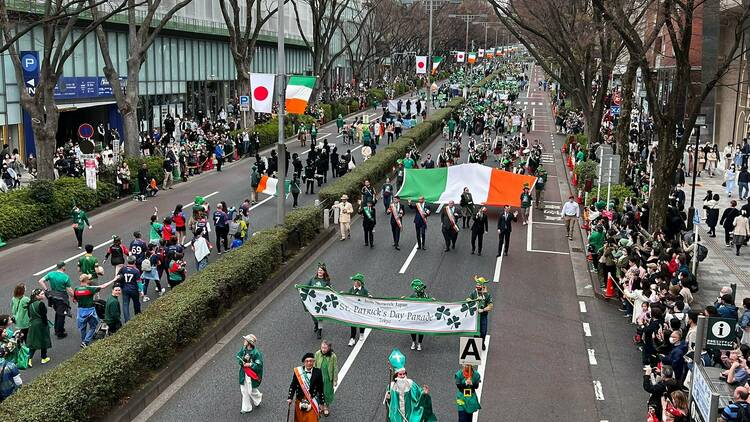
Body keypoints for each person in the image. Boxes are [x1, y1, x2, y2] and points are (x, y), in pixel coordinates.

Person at [385, 348, 434, 422]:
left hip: (409, 414)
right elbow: (388, 404)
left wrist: (424, 393)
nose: (402, 376)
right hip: (397, 416)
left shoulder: (410, 384)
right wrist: (387, 398)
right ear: (396, 375)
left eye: (404, 374)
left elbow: (418, 393)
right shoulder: (391, 386)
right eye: (400, 374)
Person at [74, 274, 114, 348]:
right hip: (90, 311)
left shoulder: (76, 289)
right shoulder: (90, 289)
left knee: (83, 327)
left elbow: (75, 300)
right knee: (93, 326)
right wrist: (114, 279)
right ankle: (85, 342)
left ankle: (83, 340)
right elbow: (103, 286)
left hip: (80, 311)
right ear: (86, 280)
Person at [37, 262, 73, 339]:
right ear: (63, 267)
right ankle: (60, 332)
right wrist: (74, 297)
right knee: (62, 314)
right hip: (62, 298)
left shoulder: (51, 274)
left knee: (58, 312)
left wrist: (47, 290)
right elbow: (69, 290)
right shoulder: (65, 277)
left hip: (53, 297)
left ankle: (56, 329)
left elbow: (40, 281)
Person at [287, 353, 326, 422]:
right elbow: (293, 385)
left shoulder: (318, 372)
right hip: (300, 400)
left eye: (311, 361)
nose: (309, 363)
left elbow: (320, 388)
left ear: (314, 362)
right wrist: (290, 397)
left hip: (312, 400)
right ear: (304, 362)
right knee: (299, 420)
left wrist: (322, 403)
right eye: (307, 361)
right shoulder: (298, 372)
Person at [405, 279, 434, 351]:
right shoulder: (413, 296)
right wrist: (404, 299)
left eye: (423, 289)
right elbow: (408, 302)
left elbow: (429, 304)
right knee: (413, 330)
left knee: (421, 330)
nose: (422, 290)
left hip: (422, 316)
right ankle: (414, 342)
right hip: (414, 316)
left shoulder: (426, 296)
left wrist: (432, 300)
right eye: (421, 289)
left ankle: (419, 343)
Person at [237, 334, 263, 414]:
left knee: (251, 390)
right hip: (243, 372)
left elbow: (259, 365)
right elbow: (239, 356)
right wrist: (242, 362)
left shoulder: (256, 353)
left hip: (251, 374)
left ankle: (258, 397)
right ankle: (246, 408)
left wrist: (250, 364)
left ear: (249, 342)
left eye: (245, 340)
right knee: (244, 390)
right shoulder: (243, 349)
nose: (244, 341)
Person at [305, 264, 331, 339]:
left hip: (321, 302)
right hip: (313, 301)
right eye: (319, 270)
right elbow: (306, 287)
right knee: (313, 315)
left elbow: (330, 290)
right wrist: (298, 287)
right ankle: (316, 324)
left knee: (320, 316)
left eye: (321, 270)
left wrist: (328, 288)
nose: (320, 271)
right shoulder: (312, 279)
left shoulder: (326, 281)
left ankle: (319, 331)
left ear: (324, 272)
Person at [26, 289, 51, 366]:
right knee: (44, 340)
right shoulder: (41, 304)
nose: (43, 295)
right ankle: (44, 357)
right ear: (37, 296)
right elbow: (44, 316)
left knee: (33, 342)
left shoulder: (30, 304)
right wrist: (46, 325)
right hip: (41, 324)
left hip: (33, 324)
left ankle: (29, 359)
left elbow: (29, 315)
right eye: (42, 294)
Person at [467, 276, 493, 350]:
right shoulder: (474, 293)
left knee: (483, 331)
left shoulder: (487, 295)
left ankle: (482, 342)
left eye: (479, 285)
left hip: (483, 316)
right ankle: (476, 345)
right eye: (477, 285)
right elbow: (469, 299)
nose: (477, 286)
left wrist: (484, 309)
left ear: (482, 286)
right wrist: (468, 300)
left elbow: (491, 306)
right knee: (476, 332)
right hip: (475, 315)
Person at [314, 340, 339, 416]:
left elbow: (335, 368)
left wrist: (335, 380)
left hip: (328, 378)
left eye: (325, 348)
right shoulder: (317, 353)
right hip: (319, 377)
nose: (323, 349)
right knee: (318, 392)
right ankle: (320, 406)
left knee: (327, 393)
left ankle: (326, 407)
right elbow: (315, 365)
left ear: (329, 348)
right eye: (322, 347)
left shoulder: (333, 356)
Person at [346, 273, 369, 346]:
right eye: (354, 281)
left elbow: (367, 299)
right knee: (353, 324)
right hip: (353, 310)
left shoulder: (364, 291)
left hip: (361, 310)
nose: (354, 282)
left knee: (361, 323)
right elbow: (348, 297)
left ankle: (362, 333)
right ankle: (352, 338)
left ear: (359, 282)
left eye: (355, 281)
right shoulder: (351, 289)